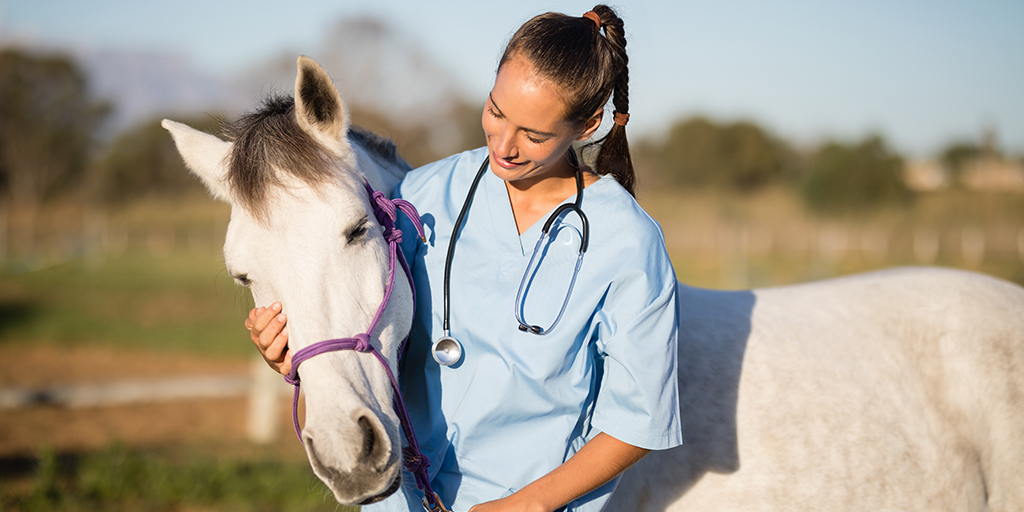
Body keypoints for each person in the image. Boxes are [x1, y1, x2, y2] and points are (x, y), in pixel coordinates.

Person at [246, 6, 682, 512]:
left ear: (586, 127)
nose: (504, 145)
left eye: (534, 135)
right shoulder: (420, 196)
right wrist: (291, 353)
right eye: (496, 111)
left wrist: (528, 506)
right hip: (401, 499)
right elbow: (361, 318)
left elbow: (639, 421)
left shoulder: (627, 241)